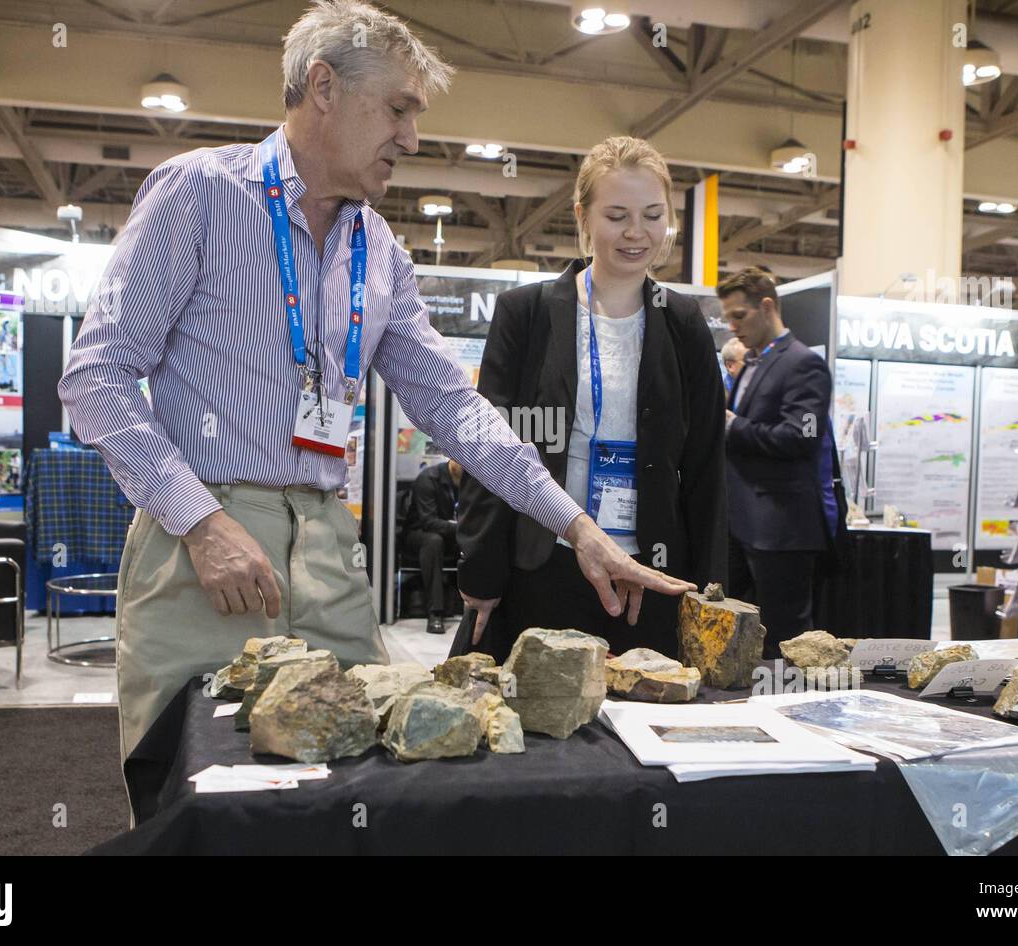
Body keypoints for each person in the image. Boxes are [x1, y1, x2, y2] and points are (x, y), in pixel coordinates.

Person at [58, 0, 691, 769]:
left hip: (330, 552)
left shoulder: (379, 250)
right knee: (196, 791)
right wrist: (201, 522)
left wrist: (578, 530)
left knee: (353, 801)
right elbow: (97, 376)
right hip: (204, 553)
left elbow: (455, 408)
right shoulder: (197, 195)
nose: (412, 137)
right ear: (322, 87)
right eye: (397, 109)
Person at [457, 136, 728, 663]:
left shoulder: (684, 323)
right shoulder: (527, 314)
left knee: (641, 727)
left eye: (653, 215)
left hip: (651, 570)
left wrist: (712, 592)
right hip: (543, 563)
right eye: (617, 215)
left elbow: (706, 469)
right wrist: (480, 574)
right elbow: (487, 450)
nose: (636, 233)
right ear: (583, 215)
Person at [719, 268, 844, 658]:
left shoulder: (803, 364)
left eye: (740, 315)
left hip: (783, 529)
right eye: (728, 318)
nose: (733, 326)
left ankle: (789, 710)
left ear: (767, 306)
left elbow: (799, 438)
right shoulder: (753, 363)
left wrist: (733, 425)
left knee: (785, 639)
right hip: (742, 524)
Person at [402, 458, 462, 634]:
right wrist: (462, 528)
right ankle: (435, 612)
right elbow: (428, 522)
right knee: (434, 541)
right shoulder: (428, 479)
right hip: (419, 534)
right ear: (452, 459)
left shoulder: (470, 481)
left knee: (480, 538)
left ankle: (475, 606)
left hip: (450, 533)